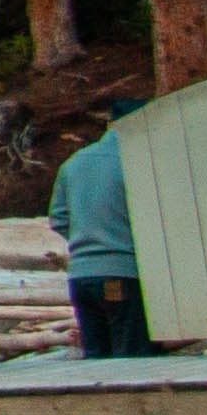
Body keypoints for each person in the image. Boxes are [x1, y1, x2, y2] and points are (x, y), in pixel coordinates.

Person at [48, 99, 153, 358]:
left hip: (81, 277)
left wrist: (88, 239)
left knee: (96, 356)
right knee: (131, 355)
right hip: (121, 274)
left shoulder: (73, 163)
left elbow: (58, 218)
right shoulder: (136, 163)